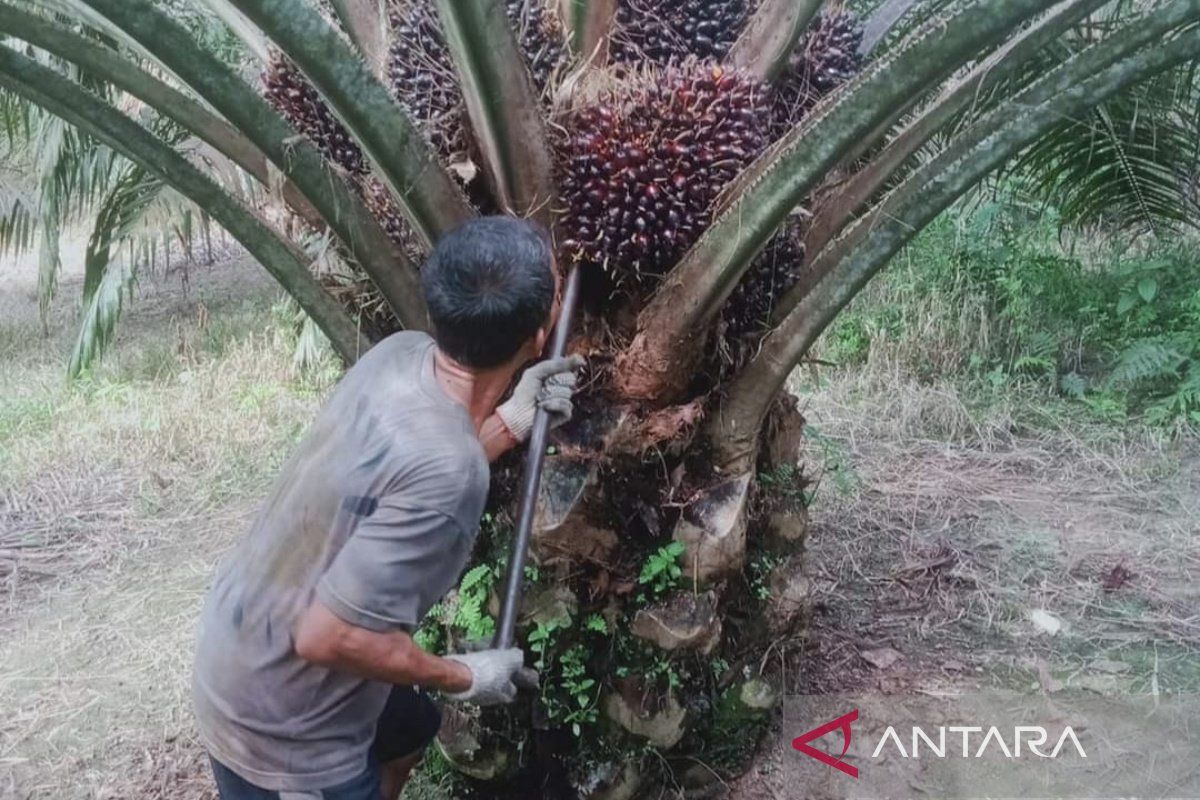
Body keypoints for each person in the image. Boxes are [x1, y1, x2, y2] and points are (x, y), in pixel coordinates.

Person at [193, 216, 583, 800]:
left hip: (239, 638)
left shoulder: (402, 355)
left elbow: (415, 467)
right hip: (281, 730)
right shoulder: (451, 474)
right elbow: (327, 638)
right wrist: (465, 675)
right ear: (538, 334)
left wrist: (515, 416)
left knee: (409, 730)